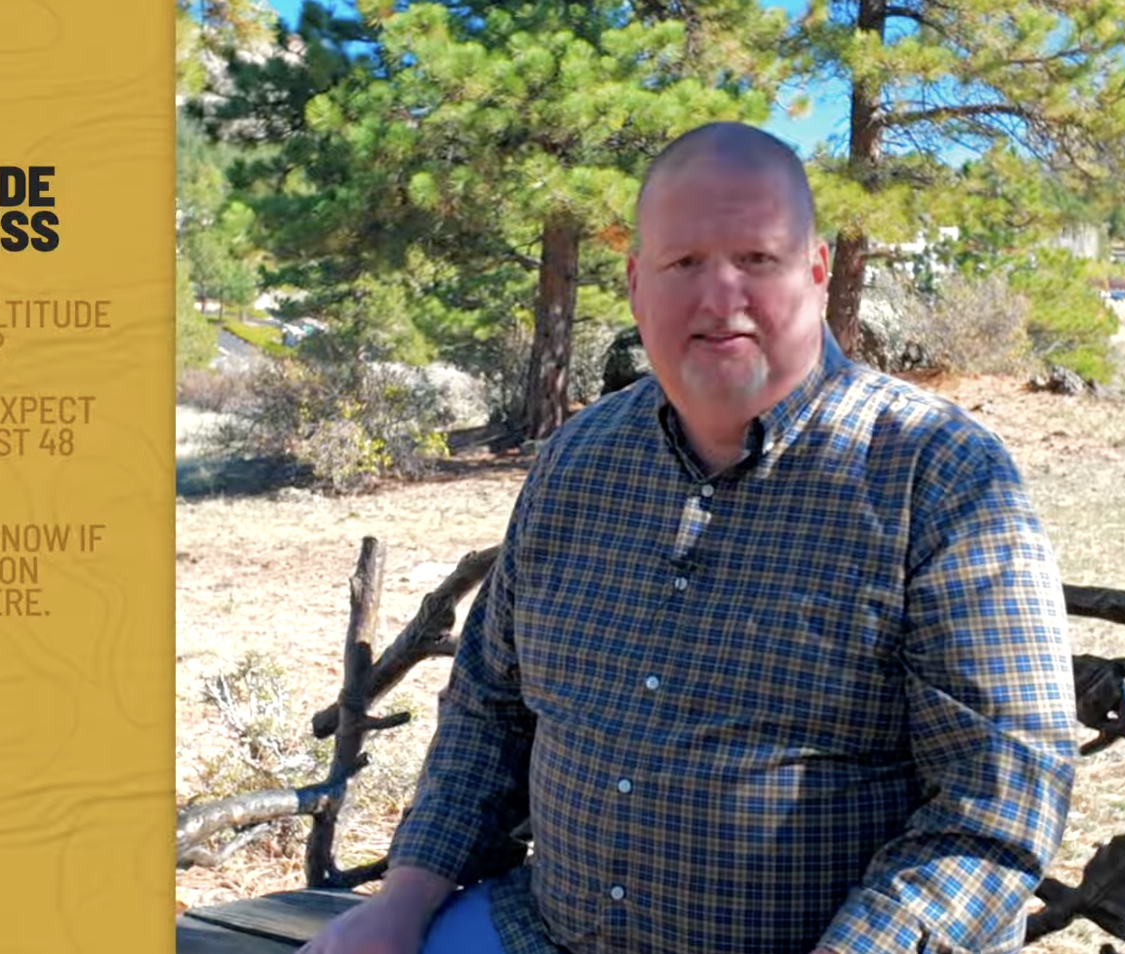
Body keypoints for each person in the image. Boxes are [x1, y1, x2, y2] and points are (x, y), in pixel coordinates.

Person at [298, 121, 1079, 954]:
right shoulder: (577, 463)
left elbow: (997, 798)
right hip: (539, 931)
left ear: (817, 271)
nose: (719, 297)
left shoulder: (937, 474)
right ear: (637, 284)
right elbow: (489, 711)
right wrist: (400, 904)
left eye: (756, 259)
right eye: (683, 264)